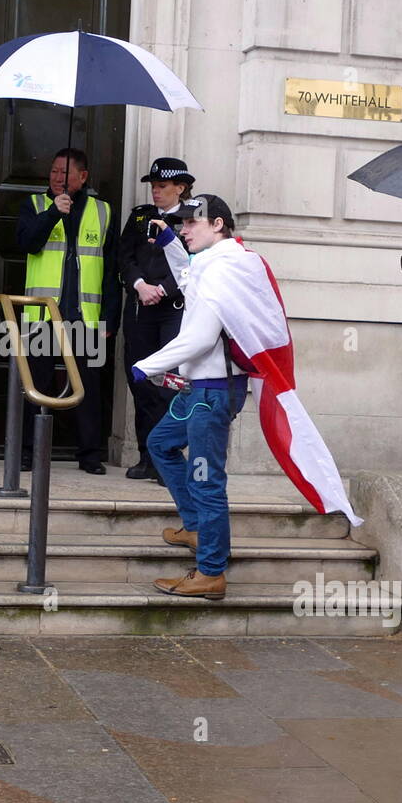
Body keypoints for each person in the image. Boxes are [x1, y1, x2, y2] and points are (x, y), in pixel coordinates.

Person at [131, 195, 247, 600]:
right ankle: (196, 527)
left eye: (190, 223)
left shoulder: (222, 270)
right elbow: (187, 276)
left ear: (217, 224)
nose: (183, 228)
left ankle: (211, 572)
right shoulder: (213, 263)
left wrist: (147, 365)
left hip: (211, 392)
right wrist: (169, 244)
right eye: (179, 223)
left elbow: (198, 338)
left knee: (206, 481)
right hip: (201, 389)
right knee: (160, 444)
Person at [16, 148, 121, 474]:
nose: (57, 178)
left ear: (83, 176)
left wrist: (109, 318)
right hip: (43, 315)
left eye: (64, 172)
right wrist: (52, 214)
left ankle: (89, 454)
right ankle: (29, 452)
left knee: (88, 388)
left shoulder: (103, 211)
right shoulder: (35, 205)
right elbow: (26, 244)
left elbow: (112, 272)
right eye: (53, 171)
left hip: (85, 317)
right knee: (36, 386)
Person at [118, 157, 196, 480]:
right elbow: (124, 255)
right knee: (142, 383)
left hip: (172, 311)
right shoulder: (140, 217)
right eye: (153, 186)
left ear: (180, 187)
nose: (156, 192)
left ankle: (168, 459)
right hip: (140, 308)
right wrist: (139, 285)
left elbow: (191, 262)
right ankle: (146, 456)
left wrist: (162, 290)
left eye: (162, 186)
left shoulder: (192, 219)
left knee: (169, 385)